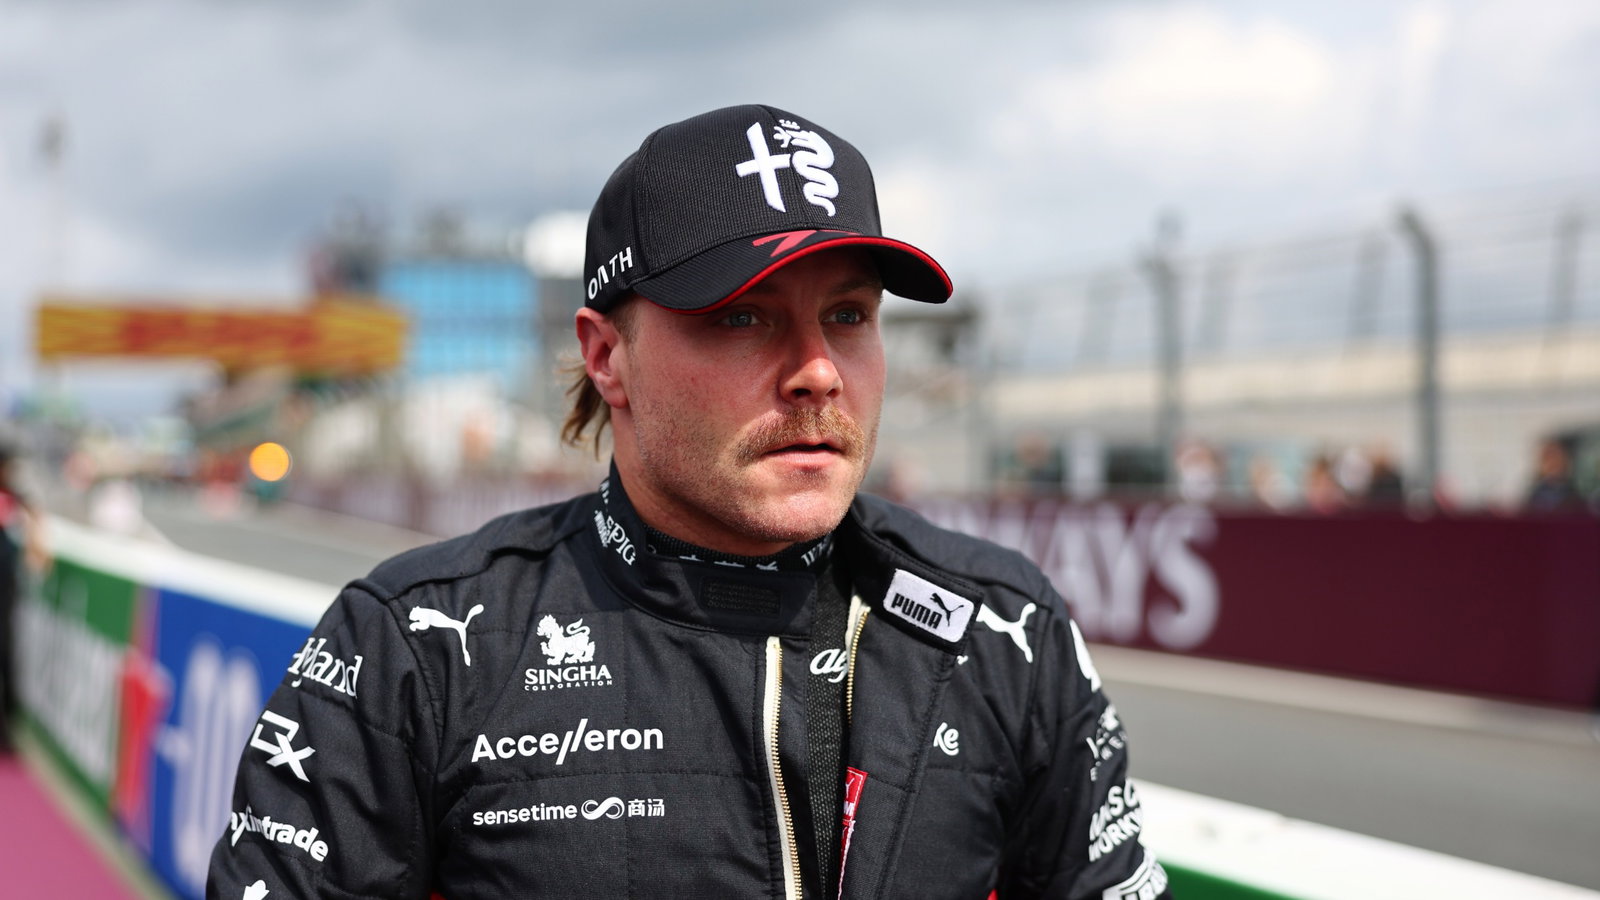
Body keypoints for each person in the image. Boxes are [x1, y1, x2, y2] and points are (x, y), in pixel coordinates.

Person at [207, 105, 1170, 899]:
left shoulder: (1003, 628)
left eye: (848, 315)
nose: (817, 373)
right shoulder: (413, 648)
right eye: (742, 317)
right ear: (606, 355)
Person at [0, 443, 49, 754]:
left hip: (5, 592)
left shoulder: (16, 497)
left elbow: (37, 531)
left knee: (7, 658)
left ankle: (7, 730)